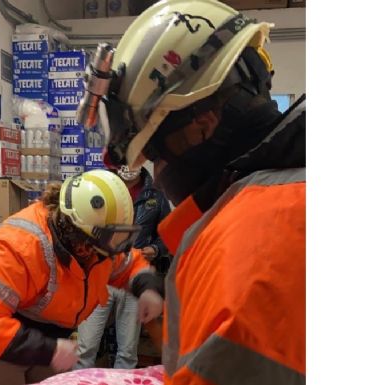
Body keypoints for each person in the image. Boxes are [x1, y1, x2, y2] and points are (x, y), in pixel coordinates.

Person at [96, 0, 306, 383]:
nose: (156, 176)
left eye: (154, 154)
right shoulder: (294, 189)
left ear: (201, 127)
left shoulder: (244, 244)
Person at [0, 169, 165, 385]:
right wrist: (48, 350)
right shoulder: (18, 246)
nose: (107, 253)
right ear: (75, 231)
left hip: (48, 341)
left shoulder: (97, 241)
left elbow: (128, 264)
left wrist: (147, 287)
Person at [74, 166, 171, 370]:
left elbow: (167, 233)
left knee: (128, 350)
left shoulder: (155, 193)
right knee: (85, 346)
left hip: (135, 277)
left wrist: (155, 249)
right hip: (102, 273)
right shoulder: (102, 187)